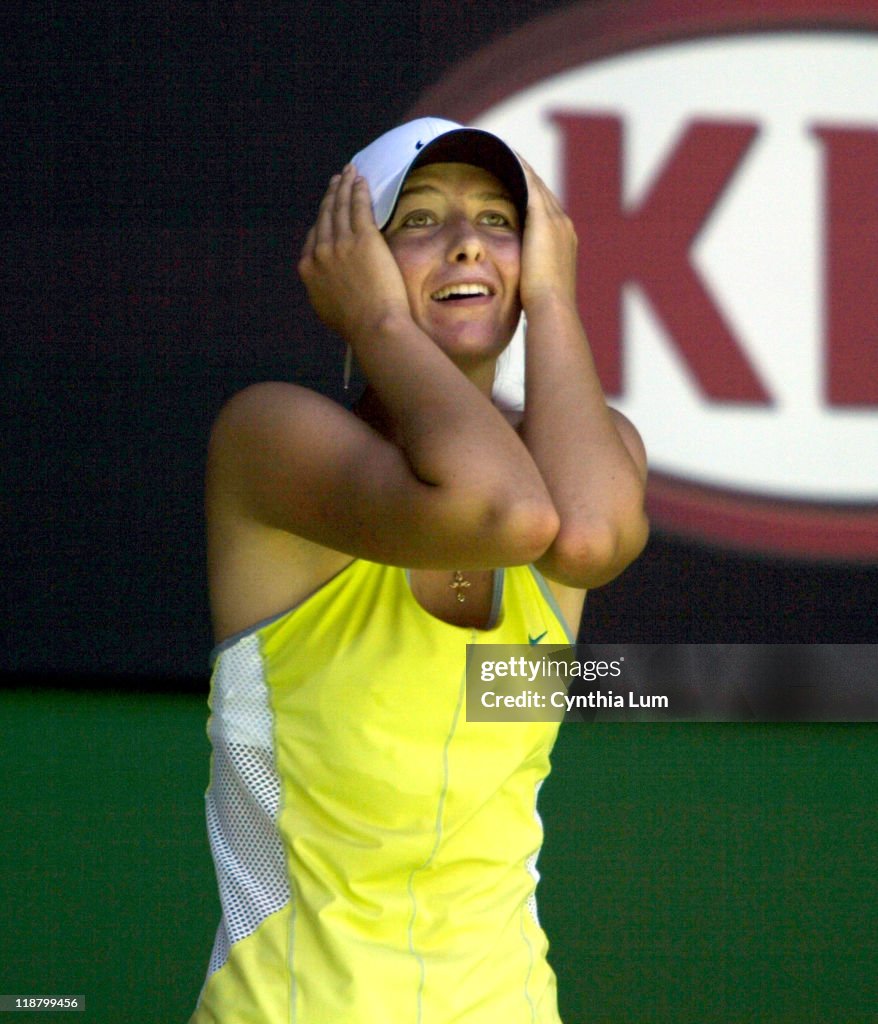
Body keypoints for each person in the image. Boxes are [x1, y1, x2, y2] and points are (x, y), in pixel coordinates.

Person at [189, 117, 648, 1023]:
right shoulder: (269, 436)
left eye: (499, 221)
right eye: (421, 220)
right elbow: (504, 516)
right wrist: (376, 321)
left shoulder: (583, 467)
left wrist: (555, 302)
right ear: (352, 260)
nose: (468, 239)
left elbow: (584, 540)